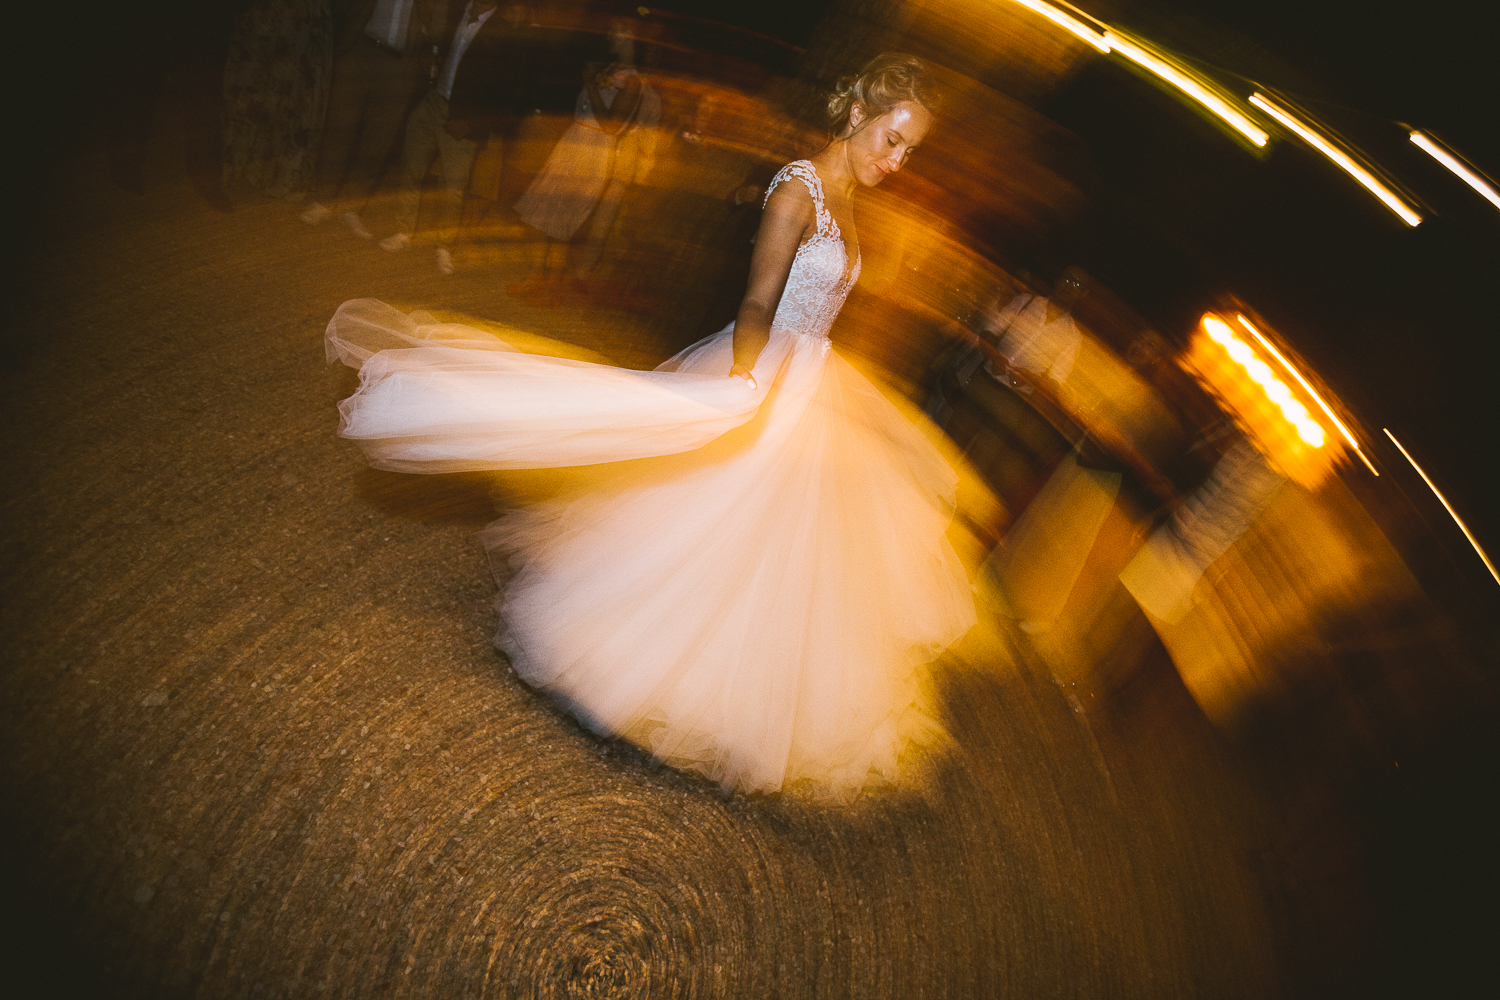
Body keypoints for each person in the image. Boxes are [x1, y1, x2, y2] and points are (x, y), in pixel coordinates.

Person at [325, 54, 974, 798]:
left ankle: (728, 683)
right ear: (858, 115)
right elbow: (759, 301)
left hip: (814, 382)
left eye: (911, 149)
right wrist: (745, 387)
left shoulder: (850, 194)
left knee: (770, 549)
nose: (898, 159)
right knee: (712, 527)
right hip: (765, 370)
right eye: (891, 138)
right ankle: (632, 665)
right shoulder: (799, 188)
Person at [378, 1, 528, 273]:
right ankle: (403, 232)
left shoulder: (503, 31)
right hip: (434, 100)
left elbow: (506, 90)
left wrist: (472, 123)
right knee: (410, 168)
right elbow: (437, 43)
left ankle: (444, 246)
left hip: (463, 118)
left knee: (453, 190)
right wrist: (429, 56)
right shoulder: (456, 10)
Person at [299, 0, 447, 237]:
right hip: (359, 50)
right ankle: (323, 201)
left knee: (379, 139)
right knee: (340, 128)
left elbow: (438, 33)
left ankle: (352, 208)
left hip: (400, 65)